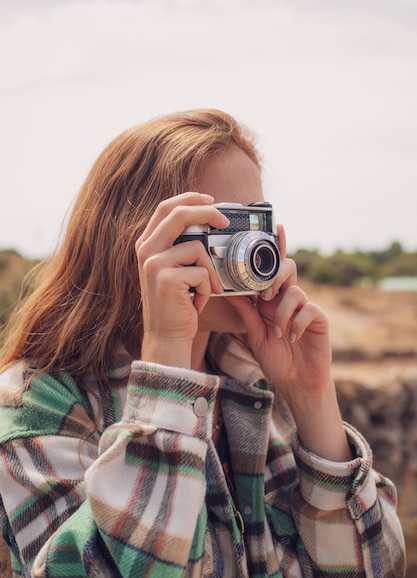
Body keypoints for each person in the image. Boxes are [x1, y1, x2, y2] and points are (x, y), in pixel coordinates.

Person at [0, 108, 405, 577]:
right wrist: (168, 369)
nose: (250, 248)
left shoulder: (252, 387)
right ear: (136, 243)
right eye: (222, 226)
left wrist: (312, 398)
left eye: (255, 222)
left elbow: (376, 567)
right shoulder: (37, 405)